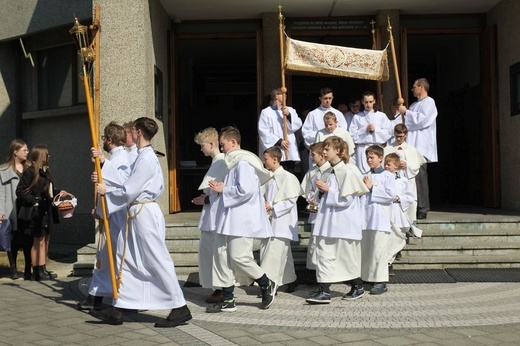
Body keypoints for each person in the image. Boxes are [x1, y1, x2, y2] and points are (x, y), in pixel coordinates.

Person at [92, 117, 192, 328]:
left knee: (156, 258)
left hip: (144, 211)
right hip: (137, 211)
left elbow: (130, 188)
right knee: (127, 258)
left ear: (138, 132)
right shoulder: (141, 156)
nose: (130, 133)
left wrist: (106, 190)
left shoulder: (146, 158)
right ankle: (121, 307)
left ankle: (180, 307)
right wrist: (103, 163)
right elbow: (126, 177)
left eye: (132, 130)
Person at [206, 126, 276, 313]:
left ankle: (266, 283)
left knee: (239, 257)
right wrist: (223, 187)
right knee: (222, 257)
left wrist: (224, 189)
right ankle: (228, 299)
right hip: (227, 218)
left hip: (241, 219)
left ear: (233, 142)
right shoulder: (232, 163)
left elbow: (245, 190)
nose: (221, 149)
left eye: (223, 145)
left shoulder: (243, 162)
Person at [306, 136, 369, 304]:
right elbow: (324, 194)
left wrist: (329, 190)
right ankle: (324, 291)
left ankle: (357, 286)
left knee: (346, 258)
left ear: (339, 151)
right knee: (324, 255)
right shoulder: (328, 171)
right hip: (327, 221)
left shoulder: (348, 171)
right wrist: (317, 197)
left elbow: (347, 199)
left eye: (327, 149)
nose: (324, 152)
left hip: (343, 223)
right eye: (324, 149)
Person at [79, 122, 132, 311]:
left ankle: (106, 297)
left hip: (118, 215)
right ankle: (97, 296)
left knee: (113, 258)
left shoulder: (123, 157)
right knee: (104, 258)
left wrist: (103, 163)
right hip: (110, 213)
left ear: (109, 139)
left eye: (104, 138)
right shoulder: (116, 157)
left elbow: (125, 184)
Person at [16, 145, 68, 281]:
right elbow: (20, 191)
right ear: (40, 156)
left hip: (46, 210)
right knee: (38, 240)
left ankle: (43, 267)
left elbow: (48, 189)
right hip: (36, 212)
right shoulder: (30, 172)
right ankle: (37, 270)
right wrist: (34, 201)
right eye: (46, 155)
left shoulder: (45, 171)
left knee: (45, 239)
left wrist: (58, 192)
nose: (48, 157)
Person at [191, 127, 227, 304]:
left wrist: (205, 200)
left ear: (211, 144)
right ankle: (217, 287)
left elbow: (220, 191)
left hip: (215, 216)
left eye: (202, 145)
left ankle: (221, 288)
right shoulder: (216, 162)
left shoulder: (221, 162)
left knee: (214, 253)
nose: (201, 149)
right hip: (211, 214)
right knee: (209, 252)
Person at [261, 146, 302, 293]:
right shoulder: (268, 177)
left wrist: (271, 206)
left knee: (273, 256)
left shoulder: (287, 177)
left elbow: (290, 200)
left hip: (282, 222)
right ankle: (290, 280)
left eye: (265, 159)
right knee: (283, 255)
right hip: (270, 220)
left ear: (275, 159)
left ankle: (270, 286)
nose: (263, 161)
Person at [398, 78, 438, 220]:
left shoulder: (429, 102)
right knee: (410, 176)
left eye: (414, 86)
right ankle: (412, 205)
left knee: (420, 176)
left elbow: (422, 120)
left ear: (421, 87)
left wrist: (406, 112)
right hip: (411, 145)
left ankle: (423, 207)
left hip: (422, 145)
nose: (412, 89)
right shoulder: (414, 105)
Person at [361, 145, 397, 295]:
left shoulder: (388, 176)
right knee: (367, 250)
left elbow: (390, 195)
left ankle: (381, 281)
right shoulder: (365, 175)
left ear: (381, 158)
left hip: (380, 218)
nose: (369, 160)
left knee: (379, 250)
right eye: (367, 157)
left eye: (372, 157)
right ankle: (367, 277)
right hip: (366, 217)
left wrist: (372, 188)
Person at [384, 124, 426, 227]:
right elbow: (383, 166)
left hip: (407, 179)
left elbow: (416, 167)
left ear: (406, 135)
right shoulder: (388, 149)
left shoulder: (411, 149)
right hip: (392, 180)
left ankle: (411, 226)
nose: (398, 138)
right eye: (397, 136)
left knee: (410, 202)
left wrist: (407, 165)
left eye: (401, 136)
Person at [0, 139, 29, 280]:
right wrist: (1, 211)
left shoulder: (29, 168)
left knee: (24, 238)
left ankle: (30, 268)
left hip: (26, 209)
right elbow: (1, 192)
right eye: (24, 150)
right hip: (11, 207)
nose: (27, 152)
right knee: (12, 239)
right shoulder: (4, 170)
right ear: (15, 152)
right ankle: (13, 268)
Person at [300, 142, 330, 271]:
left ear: (322, 156)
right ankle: (314, 271)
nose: (311, 158)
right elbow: (306, 190)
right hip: (315, 211)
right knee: (314, 243)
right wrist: (310, 198)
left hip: (328, 212)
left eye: (313, 155)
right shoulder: (312, 171)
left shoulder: (330, 170)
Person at [383, 153, 414, 276]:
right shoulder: (382, 178)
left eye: (389, 165)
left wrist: (399, 198)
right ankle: (386, 263)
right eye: (385, 164)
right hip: (386, 212)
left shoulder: (403, 181)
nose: (386, 167)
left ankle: (389, 261)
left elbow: (410, 196)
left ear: (396, 166)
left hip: (397, 211)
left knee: (397, 239)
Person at [258, 88, 303, 172]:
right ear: (276, 96)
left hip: (289, 150)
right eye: (282, 94)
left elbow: (297, 125)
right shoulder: (266, 112)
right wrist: (279, 141)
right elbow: (263, 131)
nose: (285, 95)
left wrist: (289, 116)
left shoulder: (290, 110)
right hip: (275, 151)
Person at [350, 91, 393, 174]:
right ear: (362, 102)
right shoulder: (357, 117)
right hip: (363, 149)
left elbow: (389, 132)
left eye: (370, 102)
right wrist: (364, 130)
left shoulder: (381, 116)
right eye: (366, 102)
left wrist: (376, 129)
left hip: (377, 147)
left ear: (374, 101)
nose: (368, 104)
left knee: (379, 173)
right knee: (363, 174)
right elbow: (351, 135)